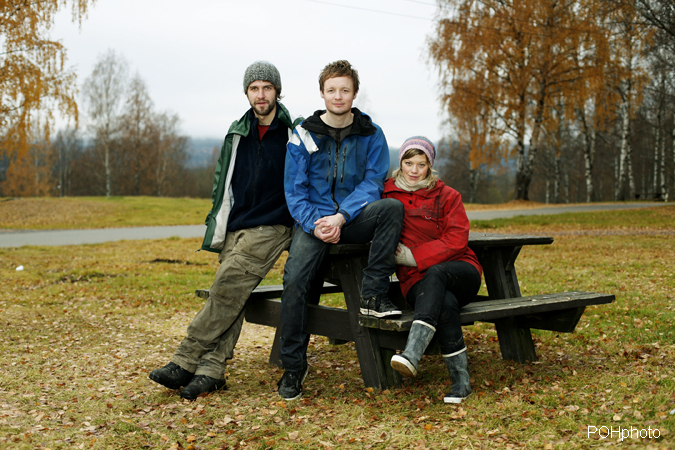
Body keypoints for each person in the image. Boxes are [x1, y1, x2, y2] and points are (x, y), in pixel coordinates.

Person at [149, 61, 301, 400]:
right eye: (254, 88)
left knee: (226, 289)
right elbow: (224, 183)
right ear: (246, 92)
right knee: (233, 294)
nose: (261, 95)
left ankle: (185, 358)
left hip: (273, 225)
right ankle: (212, 370)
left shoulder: (294, 133)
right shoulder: (237, 132)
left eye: (267, 87)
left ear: (277, 91)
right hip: (238, 225)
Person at [277, 60, 404, 400]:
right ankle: (293, 367)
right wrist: (316, 224)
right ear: (322, 93)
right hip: (313, 223)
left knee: (392, 208)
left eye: (344, 90)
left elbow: (374, 181)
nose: (338, 96)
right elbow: (294, 188)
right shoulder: (303, 132)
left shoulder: (371, 133)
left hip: (352, 219)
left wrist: (342, 216)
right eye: (331, 89)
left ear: (354, 93)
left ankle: (373, 295)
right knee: (295, 280)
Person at [382, 136, 483, 404]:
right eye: (408, 162)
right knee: (445, 304)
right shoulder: (387, 195)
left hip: (461, 271)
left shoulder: (448, 196)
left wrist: (413, 256)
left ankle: (412, 354)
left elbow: (457, 240)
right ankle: (461, 382)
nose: (414, 170)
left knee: (437, 275)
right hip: (417, 284)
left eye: (421, 164)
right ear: (400, 163)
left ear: (430, 166)